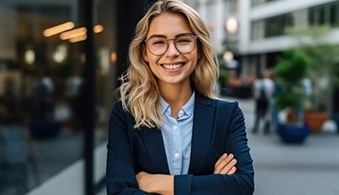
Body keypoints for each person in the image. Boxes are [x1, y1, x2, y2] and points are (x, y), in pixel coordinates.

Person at [106, 0, 254, 194]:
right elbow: (119, 192)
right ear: (144, 53)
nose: (172, 53)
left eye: (183, 40)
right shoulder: (125, 115)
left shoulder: (228, 116)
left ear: (199, 49)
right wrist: (210, 185)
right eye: (159, 42)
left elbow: (242, 185)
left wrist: (160, 184)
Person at [252, 70, 274, 134]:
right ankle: (266, 127)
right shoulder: (270, 82)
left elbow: (254, 91)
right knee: (266, 114)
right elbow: (271, 92)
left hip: (259, 100)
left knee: (258, 113)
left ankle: (256, 127)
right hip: (266, 100)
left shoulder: (257, 82)